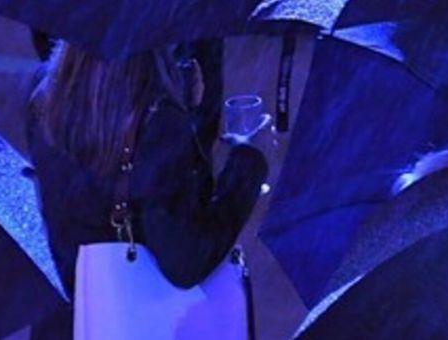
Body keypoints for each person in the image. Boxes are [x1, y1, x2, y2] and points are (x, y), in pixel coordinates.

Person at [26, 42, 269, 338]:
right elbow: (186, 260)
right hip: (147, 324)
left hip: (78, 319)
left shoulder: (44, 97)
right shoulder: (158, 122)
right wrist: (247, 165)